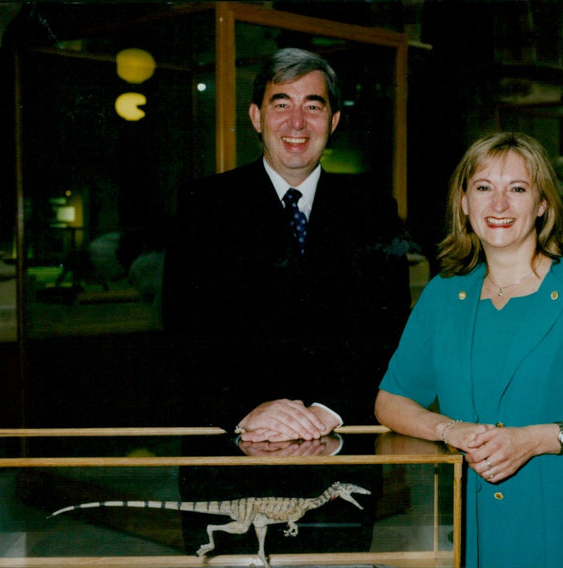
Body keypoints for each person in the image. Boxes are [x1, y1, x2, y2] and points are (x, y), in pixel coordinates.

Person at [162, 47, 412, 555]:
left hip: (339, 471)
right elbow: (181, 335)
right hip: (228, 470)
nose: (297, 121)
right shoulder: (203, 206)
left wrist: (328, 408)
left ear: (334, 120)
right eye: (281, 103)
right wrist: (245, 410)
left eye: (313, 105)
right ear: (256, 116)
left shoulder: (373, 210)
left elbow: (390, 332)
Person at [375, 131, 563, 568]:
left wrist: (534, 439)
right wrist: (449, 429)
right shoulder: (443, 296)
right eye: (484, 188)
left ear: (543, 204)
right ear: (464, 203)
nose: (499, 205)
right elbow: (390, 401)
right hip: (475, 522)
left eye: (517, 189)